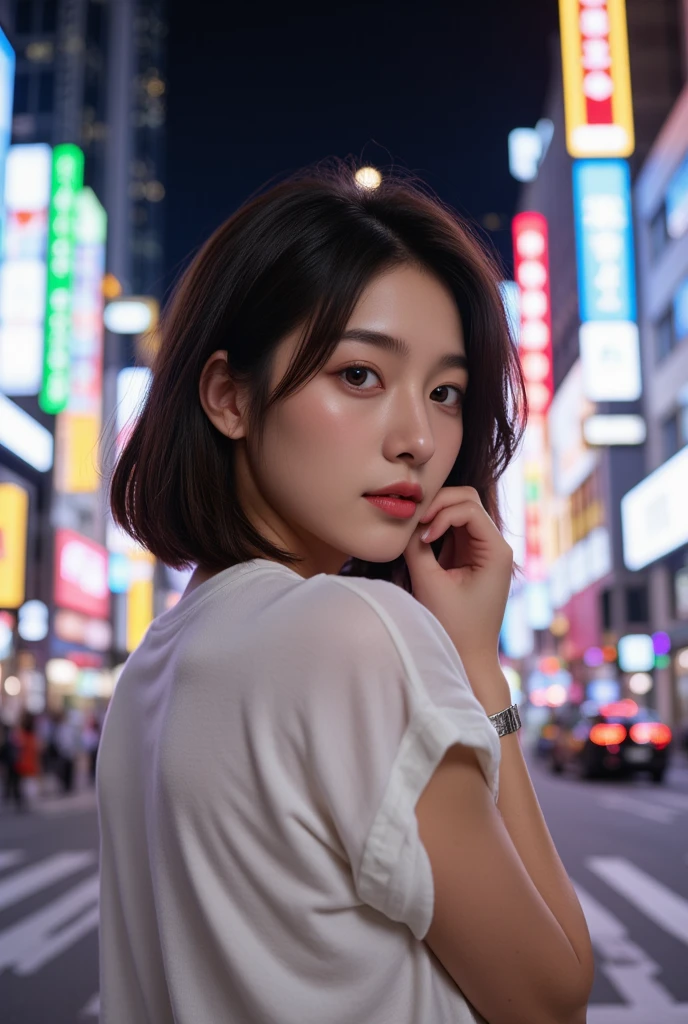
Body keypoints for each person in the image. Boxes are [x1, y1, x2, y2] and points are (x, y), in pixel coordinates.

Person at [98, 164, 594, 1024]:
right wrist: (480, 667)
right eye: (360, 375)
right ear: (228, 397)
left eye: (445, 393)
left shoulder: (151, 670)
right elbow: (554, 998)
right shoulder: (355, 631)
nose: (417, 439)